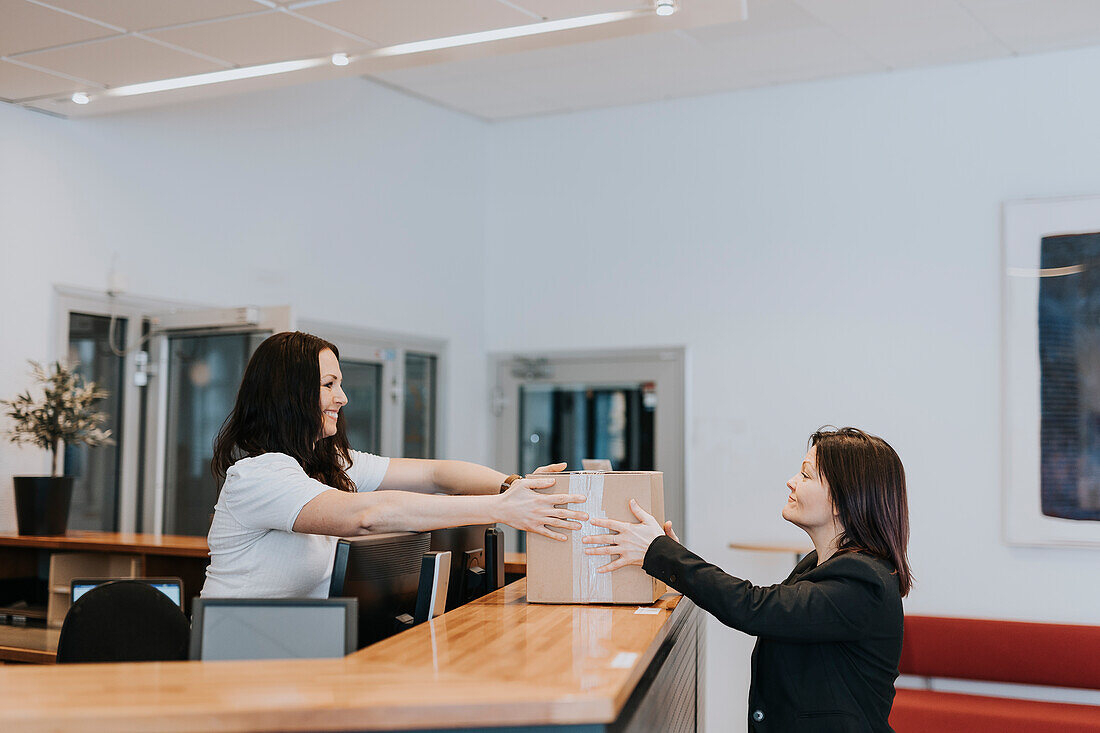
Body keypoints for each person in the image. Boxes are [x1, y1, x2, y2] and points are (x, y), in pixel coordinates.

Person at [201, 331, 587, 599]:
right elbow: (366, 516)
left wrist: (513, 485)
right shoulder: (257, 476)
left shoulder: (329, 464)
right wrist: (501, 509)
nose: (343, 397)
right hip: (238, 651)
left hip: (298, 648)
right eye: (329, 385)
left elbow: (435, 474)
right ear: (289, 395)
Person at [583, 427, 911, 732]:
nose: (791, 481)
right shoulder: (819, 564)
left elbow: (755, 607)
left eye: (806, 475)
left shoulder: (863, 582)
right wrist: (672, 560)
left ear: (843, 501)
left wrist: (663, 553)